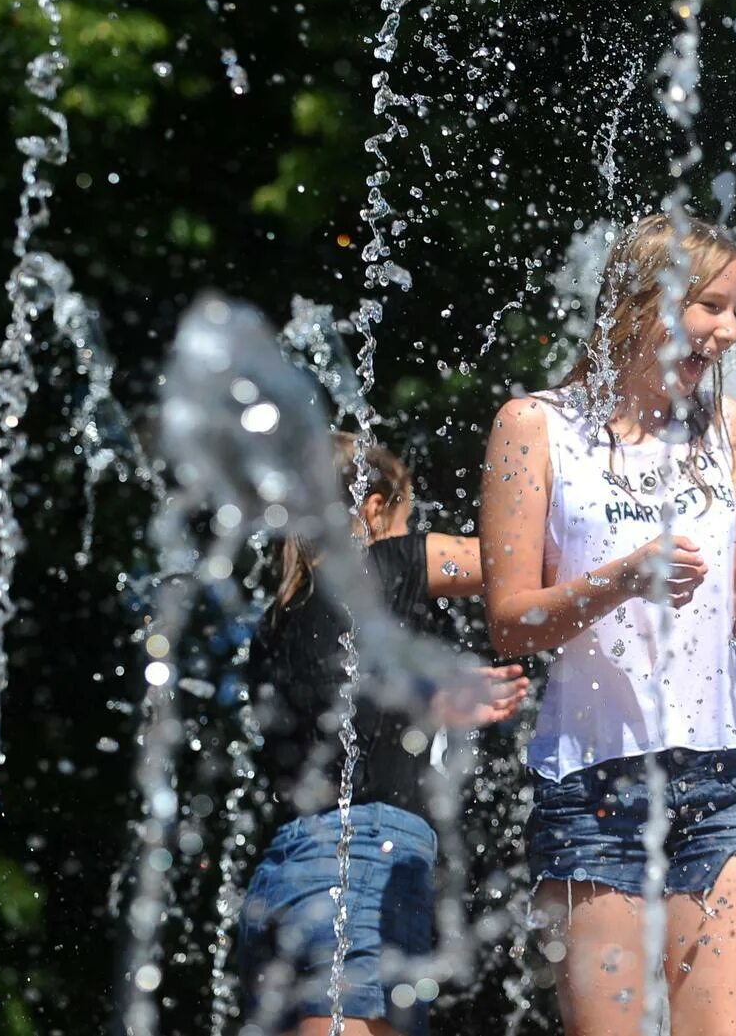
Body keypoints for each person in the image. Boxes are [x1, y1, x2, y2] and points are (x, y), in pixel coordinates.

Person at [478, 213, 736, 1036]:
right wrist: (620, 579)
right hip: (591, 789)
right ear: (647, 303)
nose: (728, 330)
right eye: (711, 306)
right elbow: (509, 622)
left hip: (724, 781)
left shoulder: (726, 427)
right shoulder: (534, 426)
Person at [237, 431, 528, 1036]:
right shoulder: (386, 561)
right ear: (371, 509)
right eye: (404, 518)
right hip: (361, 861)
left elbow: (344, 714)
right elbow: (516, 560)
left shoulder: (275, 622)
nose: (408, 534)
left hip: (283, 872)